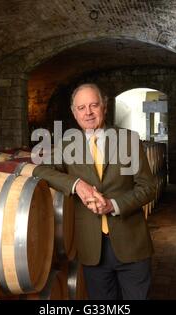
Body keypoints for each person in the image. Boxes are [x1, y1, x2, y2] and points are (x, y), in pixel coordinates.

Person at [33, 83, 156, 300]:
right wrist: (76, 184)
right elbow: (40, 170)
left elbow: (147, 187)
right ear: (74, 112)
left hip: (131, 245)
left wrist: (113, 205)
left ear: (104, 107)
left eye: (93, 105)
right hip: (92, 249)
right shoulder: (67, 144)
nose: (88, 113)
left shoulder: (128, 139)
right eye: (81, 108)